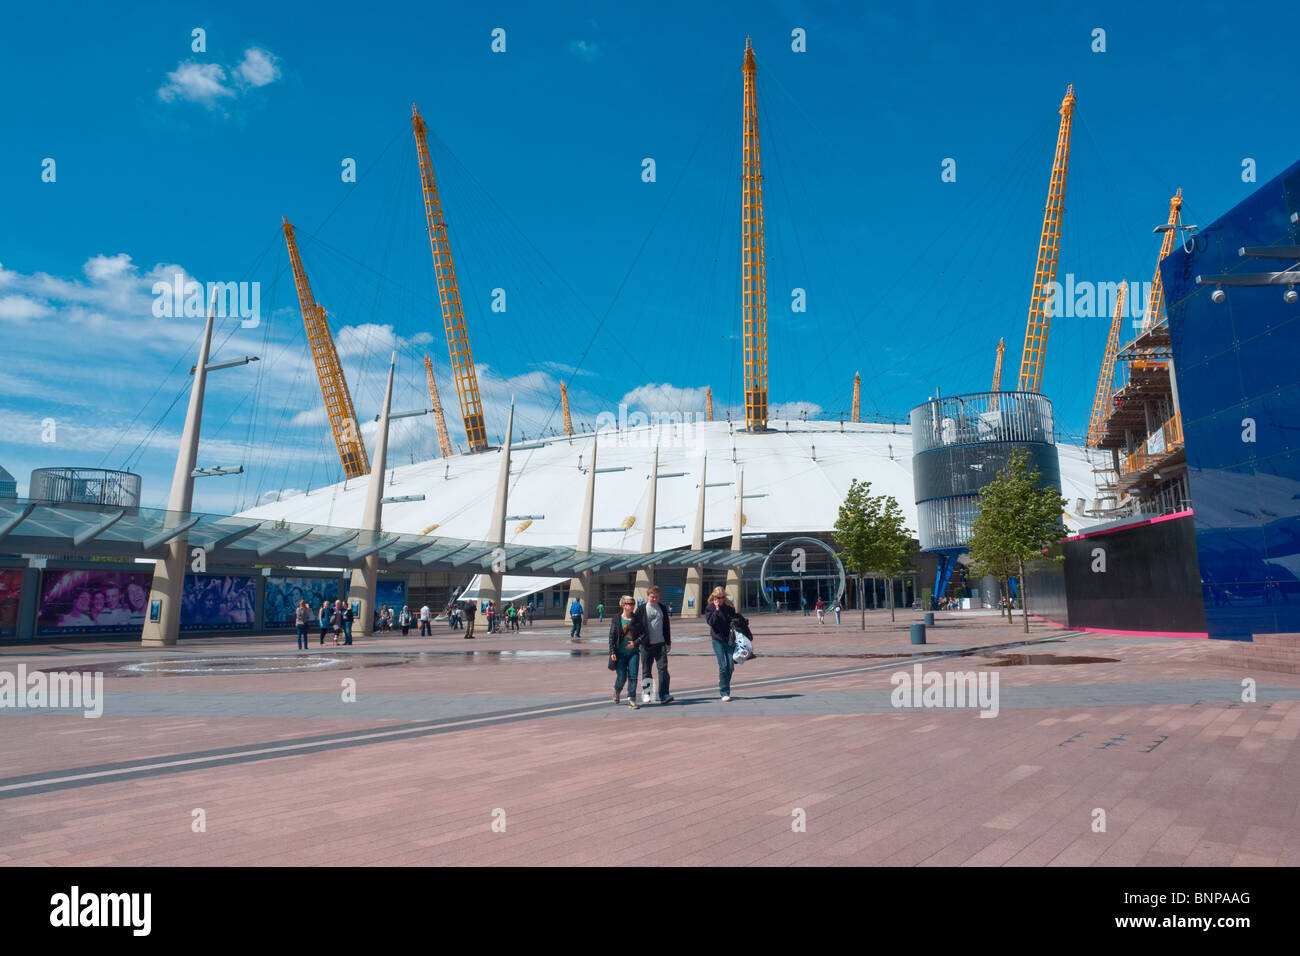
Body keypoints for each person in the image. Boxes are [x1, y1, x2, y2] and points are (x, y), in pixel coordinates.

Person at [633, 585, 672, 704]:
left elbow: (666, 626)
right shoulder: (641, 609)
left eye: (656, 597)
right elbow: (635, 627)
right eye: (652, 597)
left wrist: (668, 642)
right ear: (648, 596)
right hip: (646, 645)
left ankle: (664, 694)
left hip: (660, 643)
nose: (654, 599)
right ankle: (647, 693)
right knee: (646, 670)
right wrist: (637, 642)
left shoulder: (662, 608)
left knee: (663, 669)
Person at [705, 587, 742, 701]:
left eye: (721, 597)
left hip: (729, 640)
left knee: (730, 666)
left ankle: (723, 681)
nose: (720, 600)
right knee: (723, 666)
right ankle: (724, 692)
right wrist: (716, 609)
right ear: (714, 597)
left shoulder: (729, 607)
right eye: (717, 598)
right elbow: (711, 622)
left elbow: (734, 620)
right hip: (717, 640)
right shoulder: (710, 607)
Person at [608, 595, 641, 709]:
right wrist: (612, 652)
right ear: (623, 605)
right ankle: (617, 690)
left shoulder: (637, 619)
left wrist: (635, 643)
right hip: (620, 653)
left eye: (633, 603)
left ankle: (631, 699)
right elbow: (612, 636)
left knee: (633, 676)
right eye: (630, 603)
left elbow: (643, 634)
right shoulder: (616, 619)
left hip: (634, 653)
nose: (632, 606)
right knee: (622, 677)